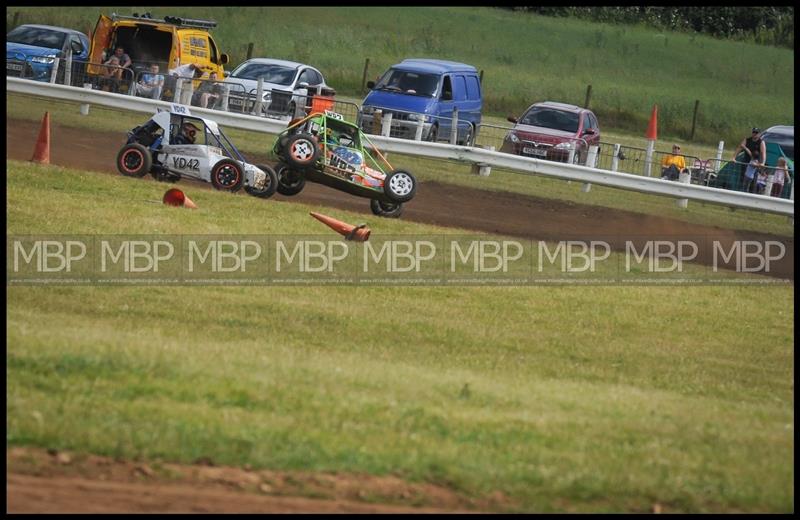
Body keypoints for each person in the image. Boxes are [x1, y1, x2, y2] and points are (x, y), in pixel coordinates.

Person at [733, 127, 766, 193]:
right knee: (743, 180)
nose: (754, 134)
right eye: (753, 132)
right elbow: (739, 148)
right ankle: (742, 194)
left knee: (753, 182)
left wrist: (763, 163)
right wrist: (733, 157)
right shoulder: (747, 140)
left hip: (755, 163)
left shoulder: (761, 142)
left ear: (759, 134)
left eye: (756, 132)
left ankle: (751, 195)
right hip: (745, 162)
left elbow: (763, 153)